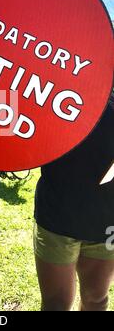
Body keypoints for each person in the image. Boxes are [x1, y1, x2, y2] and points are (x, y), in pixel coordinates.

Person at [34, 92, 114, 311]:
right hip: (57, 213)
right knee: (55, 305)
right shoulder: (65, 63)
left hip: (108, 219)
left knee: (97, 299)